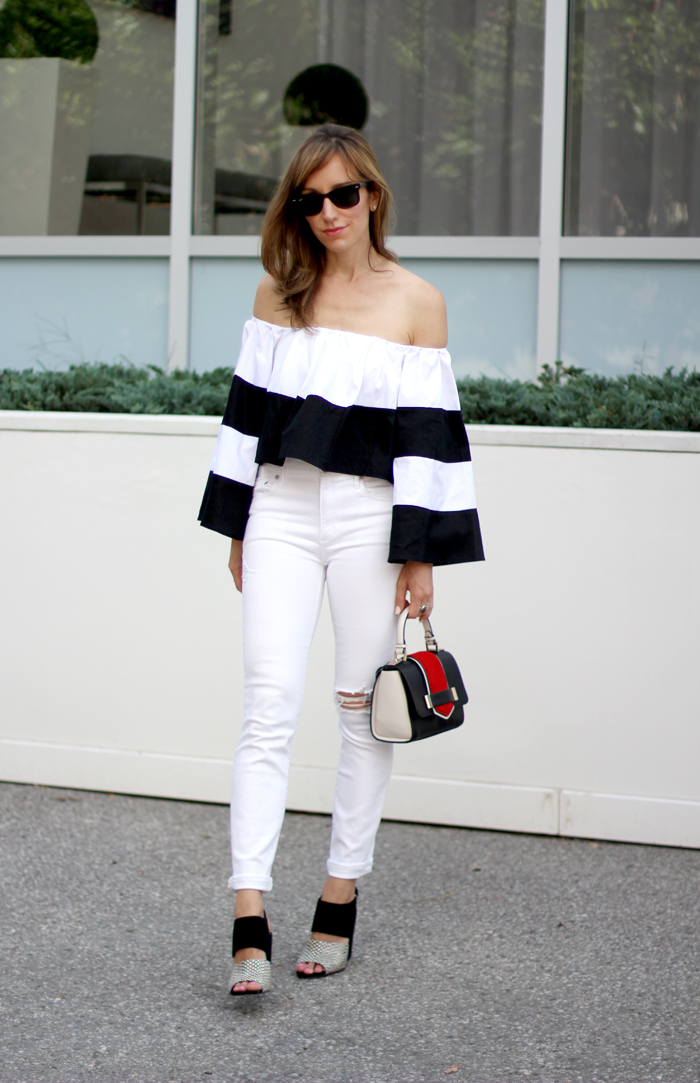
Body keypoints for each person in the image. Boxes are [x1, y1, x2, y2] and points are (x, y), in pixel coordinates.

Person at [198, 124, 484, 995]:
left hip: (370, 514)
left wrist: (422, 555)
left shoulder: (416, 301)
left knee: (362, 708)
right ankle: (250, 909)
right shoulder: (277, 295)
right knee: (268, 701)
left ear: (373, 195)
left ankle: (339, 892)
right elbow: (246, 420)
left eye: (342, 195)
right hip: (281, 505)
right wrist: (241, 522)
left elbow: (430, 439)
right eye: (309, 199)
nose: (327, 213)